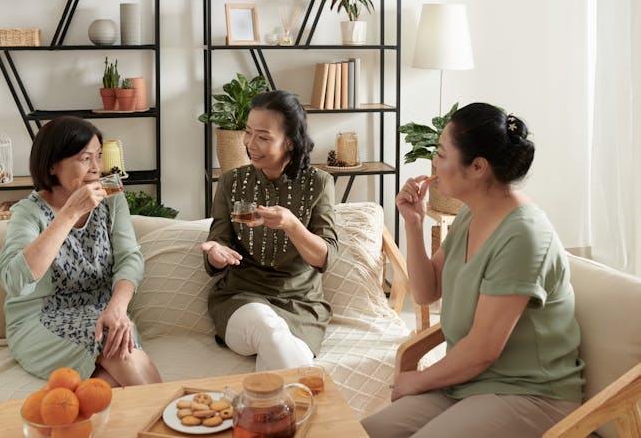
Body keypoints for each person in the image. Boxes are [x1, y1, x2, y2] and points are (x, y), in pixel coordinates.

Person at [361, 103, 584, 437]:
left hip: (530, 393)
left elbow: (483, 349)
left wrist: (419, 379)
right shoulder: (471, 213)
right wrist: (414, 223)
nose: (433, 163)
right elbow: (426, 291)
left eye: (441, 153)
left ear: (478, 167)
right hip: (471, 380)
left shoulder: (523, 234)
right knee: (362, 431)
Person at [0, 116, 162, 387]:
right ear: (52, 165)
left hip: (104, 312)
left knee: (111, 370)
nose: (97, 168)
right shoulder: (28, 213)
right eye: (85, 158)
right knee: (117, 347)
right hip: (40, 319)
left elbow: (129, 258)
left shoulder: (112, 198)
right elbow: (14, 281)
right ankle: (177, 420)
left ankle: (166, 420)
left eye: (99, 156)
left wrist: (118, 309)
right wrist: (71, 211)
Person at [200, 90, 338, 371]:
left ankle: (266, 410)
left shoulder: (319, 183)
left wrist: (292, 225)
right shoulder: (231, 182)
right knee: (268, 329)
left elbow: (326, 258)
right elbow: (218, 241)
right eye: (248, 132)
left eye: (263, 137)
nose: (250, 144)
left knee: (280, 347)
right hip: (241, 300)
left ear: (290, 142)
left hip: (301, 306)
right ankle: (304, 408)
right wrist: (216, 254)